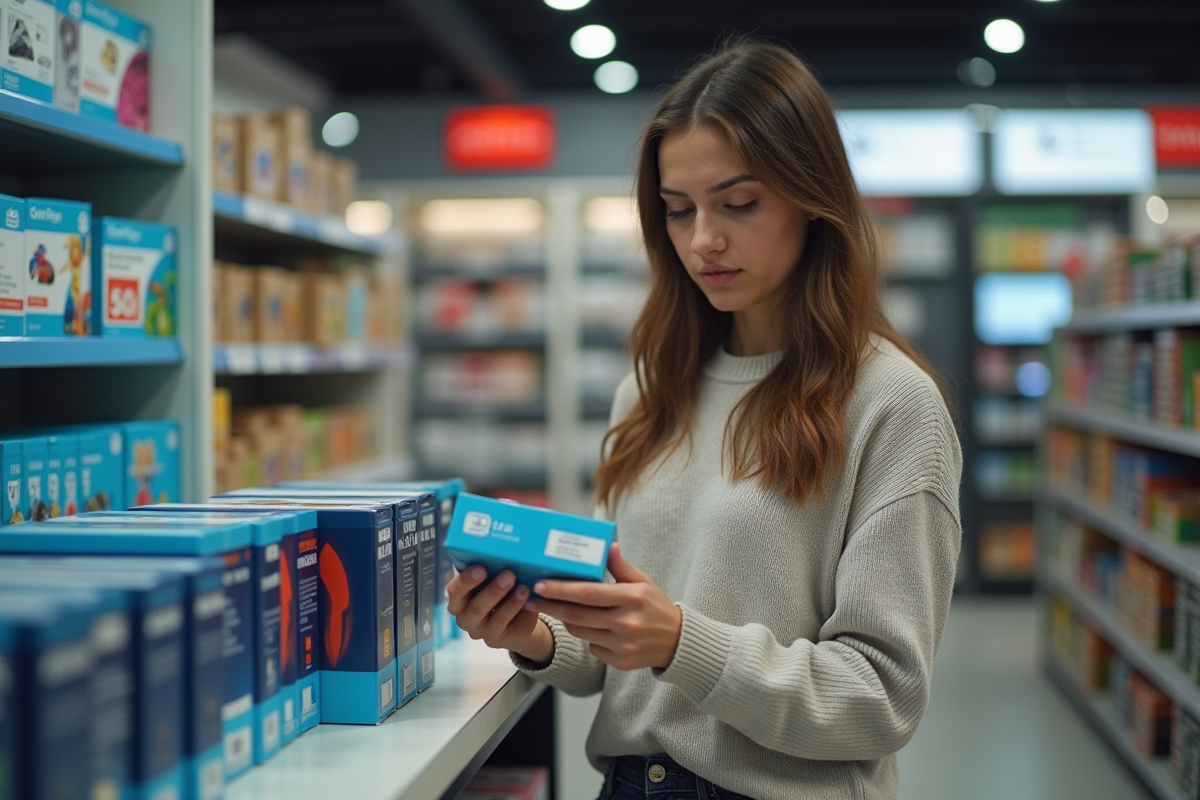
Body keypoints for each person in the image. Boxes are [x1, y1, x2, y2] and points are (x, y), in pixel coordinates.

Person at [447, 38, 962, 800]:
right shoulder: (650, 393)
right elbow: (610, 656)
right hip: (630, 783)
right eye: (678, 210)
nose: (702, 241)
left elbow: (880, 697)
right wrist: (535, 632)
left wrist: (682, 643)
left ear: (813, 197)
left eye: (739, 204)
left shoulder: (891, 404)